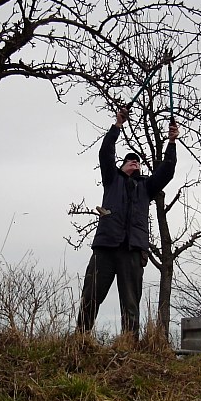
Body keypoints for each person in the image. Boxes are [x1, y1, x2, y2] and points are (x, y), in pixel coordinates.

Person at [76, 107, 179, 339]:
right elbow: (105, 152)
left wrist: (172, 142)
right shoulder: (111, 179)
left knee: (131, 302)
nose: (134, 162)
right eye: (129, 160)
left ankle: (129, 344)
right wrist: (118, 125)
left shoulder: (146, 187)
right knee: (91, 295)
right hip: (105, 247)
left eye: (137, 162)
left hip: (133, 250)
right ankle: (80, 339)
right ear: (122, 166)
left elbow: (167, 171)